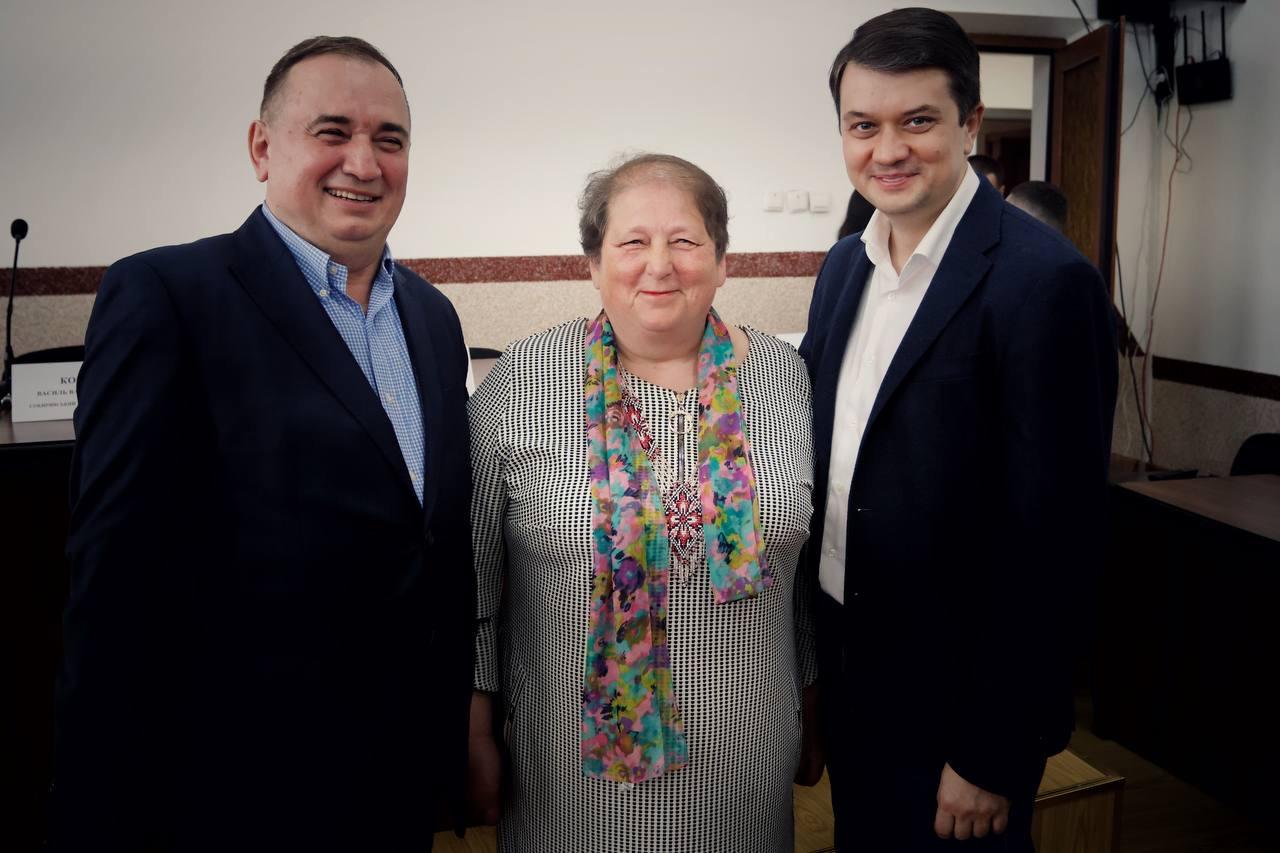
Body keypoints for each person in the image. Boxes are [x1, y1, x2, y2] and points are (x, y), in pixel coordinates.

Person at [54, 36, 475, 852]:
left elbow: (432, 542)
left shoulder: (432, 317)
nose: (364, 162)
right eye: (332, 132)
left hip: (396, 777)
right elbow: (111, 581)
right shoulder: (168, 295)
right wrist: (91, 803)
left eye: (389, 139)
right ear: (261, 148)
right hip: (232, 784)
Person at [800, 9, 1117, 852]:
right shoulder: (843, 268)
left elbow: (1057, 541)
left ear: (970, 123)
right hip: (853, 677)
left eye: (918, 121)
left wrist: (995, 747)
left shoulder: (1045, 283)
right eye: (863, 125)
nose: (887, 149)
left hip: (960, 712)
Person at [465, 153, 820, 852]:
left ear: (722, 262)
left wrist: (814, 698)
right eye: (632, 242)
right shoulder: (522, 379)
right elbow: (473, 578)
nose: (660, 265)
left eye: (685, 240)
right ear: (593, 263)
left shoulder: (784, 376)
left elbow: (802, 575)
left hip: (747, 759)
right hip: (566, 775)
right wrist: (472, 724)